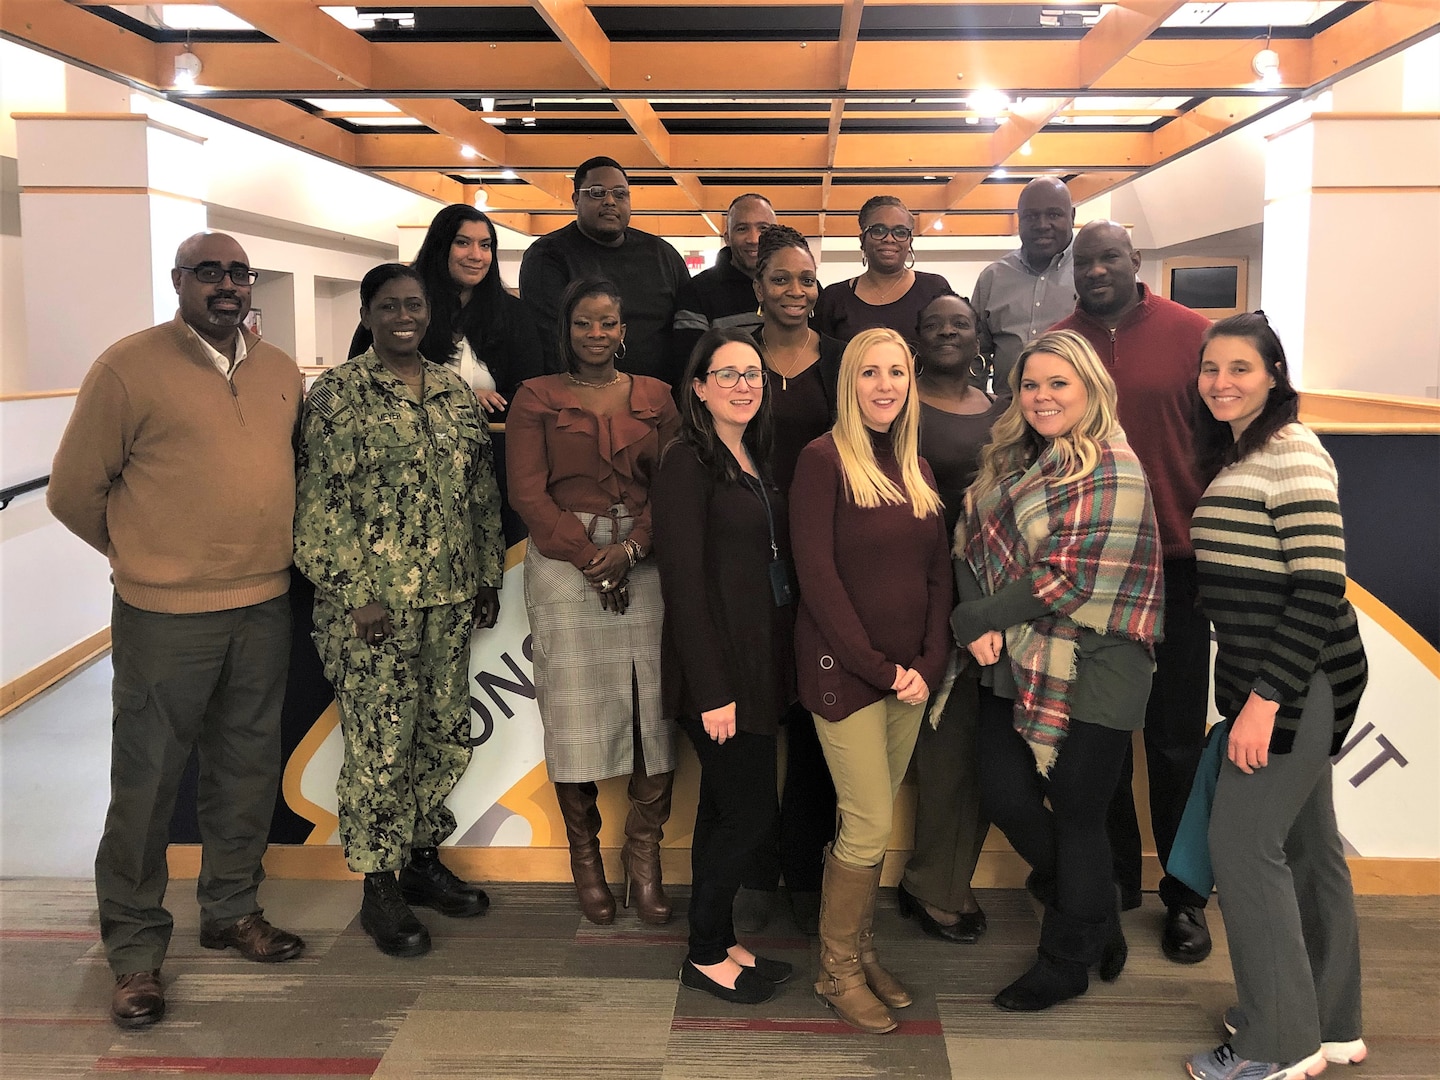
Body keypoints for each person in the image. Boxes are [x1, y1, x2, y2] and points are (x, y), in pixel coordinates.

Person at [48, 232, 306, 1029]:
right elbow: (71, 492)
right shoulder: (129, 367)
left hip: (264, 603)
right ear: (179, 281)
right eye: (209, 272)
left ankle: (230, 908)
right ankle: (134, 953)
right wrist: (147, 554)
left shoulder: (279, 370)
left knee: (246, 770)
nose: (225, 285)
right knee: (148, 784)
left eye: (237, 273)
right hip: (165, 615)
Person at [294, 263, 504, 958]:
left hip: (447, 601)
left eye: (415, 305)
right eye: (390, 306)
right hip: (373, 610)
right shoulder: (336, 395)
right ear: (368, 312)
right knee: (380, 749)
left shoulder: (451, 392)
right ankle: (378, 885)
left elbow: (477, 494)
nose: (404, 317)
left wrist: (484, 577)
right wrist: (356, 596)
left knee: (442, 736)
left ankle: (419, 860)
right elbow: (317, 505)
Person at [953, 329, 1164, 1012]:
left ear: (1089, 389)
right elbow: (966, 542)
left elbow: (1068, 580)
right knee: (1007, 794)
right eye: (1030, 385)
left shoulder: (1114, 466)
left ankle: (1065, 958)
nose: (1042, 397)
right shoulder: (1010, 460)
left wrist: (978, 618)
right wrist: (972, 609)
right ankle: (1094, 908)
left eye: (1058, 383)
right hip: (1017, 655)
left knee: (1077, 809)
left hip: (1102, 655)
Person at [1184, 314, 1367, 1080]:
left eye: (1240, 369)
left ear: (1274, 374)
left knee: (1245, 850)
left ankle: (1276, 1042)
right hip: (1296, 683)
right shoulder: (1245, 452)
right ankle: (1328, 1021)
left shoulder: (1293, 451)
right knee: (1308, 849)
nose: (1221, 382)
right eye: (1210, 368)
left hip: (1295, 686)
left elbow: (1320, 586)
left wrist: (1264, 703)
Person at [1053, 219, 1217, 963]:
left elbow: (1226, 433)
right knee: (1103, 739)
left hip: (1179, 569)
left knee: (1177, 742)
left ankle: (1184, 897)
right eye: (1084, 261)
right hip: (1095, 574)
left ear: (1137, 261)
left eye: (1108, 257)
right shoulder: (1061, 342)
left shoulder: (1191, 333)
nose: (1095, 271)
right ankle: (1115, 876)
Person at [789, 327, 952, 1034]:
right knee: (869, 824)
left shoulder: (915, 461)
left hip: (909, 678)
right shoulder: (822, 460)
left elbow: (939, 573)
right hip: (844, 675)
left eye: (896, 373)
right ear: (848, 383)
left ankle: (859, 948)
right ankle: (837, 972)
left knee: (870, 822)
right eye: (869, 374)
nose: (885, 385)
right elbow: (817, 581)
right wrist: (880, 668)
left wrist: (927, 665)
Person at [507, 277, 682, 926]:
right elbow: (528, 493)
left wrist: (632, 550)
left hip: (647, 559)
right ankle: (586, 857)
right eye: (585, 323)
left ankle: (644, 856)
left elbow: (674, 487)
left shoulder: (658, 398)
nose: (597, 334)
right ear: (568, 329)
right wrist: (590, 558)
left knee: (655, 715)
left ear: (624, 329)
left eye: (608, 323)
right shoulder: (536, 398)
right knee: (574, 715)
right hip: (562, 562)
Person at [653, 328, 797, 1005]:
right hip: (717, 674)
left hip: (758, 665)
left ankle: (719, 936)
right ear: (700, 387)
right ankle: (704, 952)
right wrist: (712, 689)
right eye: (729, 374)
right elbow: (682, 582)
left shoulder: (752, 452)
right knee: (749, 816)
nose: (745, 385)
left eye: (754, 374)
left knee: (719, 811)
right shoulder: (687, 460)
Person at [732, 224, 845, 935]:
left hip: (822, 557)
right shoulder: (729, 360)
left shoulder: (840, 363)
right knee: (749, 719)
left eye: (806, 279)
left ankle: (806, 873)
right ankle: (751, 869)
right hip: (743, 554)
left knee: (813, 718)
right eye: (781, 278)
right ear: (757, 287)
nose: (795, 292)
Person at [896, 292, 1007, 944]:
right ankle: (931, 885)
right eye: (934, 323)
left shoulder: (1004, 413)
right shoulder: (896, 406)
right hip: (919, 595)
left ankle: (945, 878)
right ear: (916, 335)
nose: (946, 331)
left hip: (990, 603)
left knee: (975, 752)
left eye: (959, 323)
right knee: (941, 750)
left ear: (979, 336)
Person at [518, 156, 706, 386]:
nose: (609, 201)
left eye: (620, 193)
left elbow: (687, 332)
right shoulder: (547, 256)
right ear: (576, 199)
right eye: (597, 192)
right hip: (579, 399)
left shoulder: (662, 254)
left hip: (662, 401)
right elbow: (551, 342)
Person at [348, 204, 543, 417]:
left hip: (491, 442)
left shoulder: (514, 315)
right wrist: (462, 397)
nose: (476, 255)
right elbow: (363, 384)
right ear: (440, 247)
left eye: (485, 245)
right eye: (462, 243)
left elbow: (531, 394)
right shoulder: (401, 312)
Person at [971, 176, 1078, 395]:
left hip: (1077, 418)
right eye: (1031, 216)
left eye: (1053, 214)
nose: (1042, 225)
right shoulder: (992, 278)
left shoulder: (1093, 274)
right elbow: (976, 354)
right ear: (1019, 219)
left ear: (1072, 216)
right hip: (1006, 415)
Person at [813, 195, 952, 345]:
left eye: (900, 232)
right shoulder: (834, 297)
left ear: (910, 241)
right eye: (878, 230)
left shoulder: (934, 289)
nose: (889, 239)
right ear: (862, 240)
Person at [692, 193, 778, 334]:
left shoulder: (802, 287)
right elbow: (692, 355)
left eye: (763, 228)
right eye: (742, 228)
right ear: (727, 238)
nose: (754, 239)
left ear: (777, 233)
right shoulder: (698, 292)